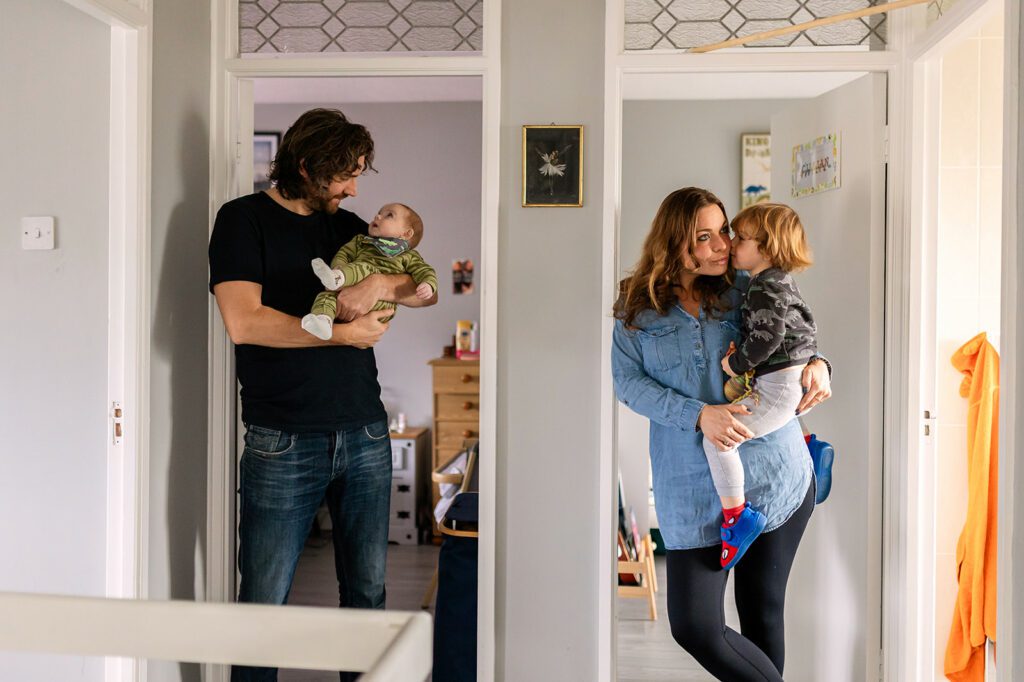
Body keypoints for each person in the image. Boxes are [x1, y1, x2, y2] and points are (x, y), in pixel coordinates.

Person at [208, 108, 437, 682]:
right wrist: (341, 333)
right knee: (263, 601)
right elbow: (243, 322)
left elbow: (418, 285)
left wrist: (383, 282)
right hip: (282, 439)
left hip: (364, 431)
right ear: (306, 167)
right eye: (345, 176)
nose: (355, 189)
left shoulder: (350, 226)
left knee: (367, 596)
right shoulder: (242, 221)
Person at [611, 187, 831, 681]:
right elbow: (628, 384)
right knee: (695, 625)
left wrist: (820, 363)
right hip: (689, 485)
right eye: (704, 238)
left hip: (773, 477)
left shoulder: (746, 286)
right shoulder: (636, 305)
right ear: (672, 243)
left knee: (762, 614)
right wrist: (698, 414)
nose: (721, 246)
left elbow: (793, 335)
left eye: (724, 232)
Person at [703, 202, 819, 570]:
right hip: (784, 379)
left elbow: (769, 336)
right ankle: (810, 446)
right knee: (752, 406)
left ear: (766, 247)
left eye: (740, 237)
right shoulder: (781, 280)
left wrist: (734, 364)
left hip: (779, 381)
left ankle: (737, 517)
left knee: (719, 439)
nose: (731, 244)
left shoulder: (761, 287)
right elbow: (805, 327)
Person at [302, 202, 437, 340]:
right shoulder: (361, 241)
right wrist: (339, 266)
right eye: (379, 212)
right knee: (326, 297)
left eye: (389, 215)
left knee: (365, 267)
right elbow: (344, 254)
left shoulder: (409, 256)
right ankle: (323, 322)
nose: (378, 216)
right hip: (348, 289)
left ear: (407, 233)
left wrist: (428, 284)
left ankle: (337, 278)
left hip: (381, 305)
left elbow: (425, 271)